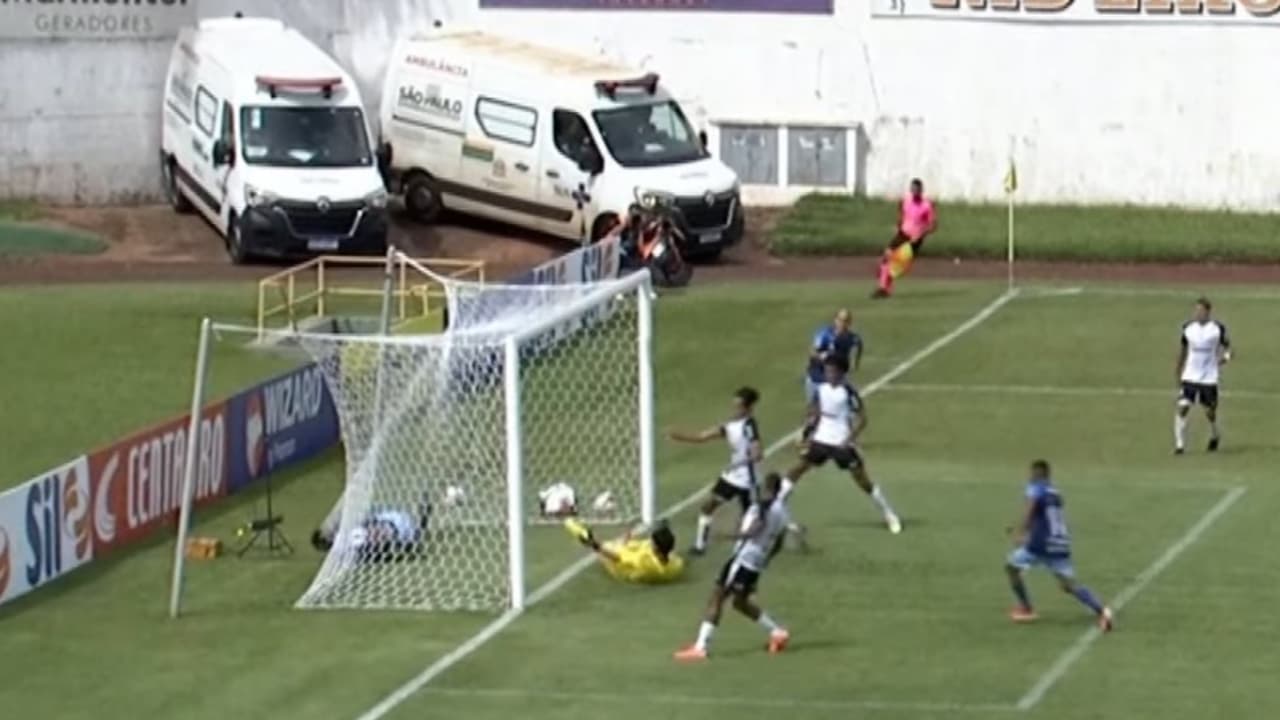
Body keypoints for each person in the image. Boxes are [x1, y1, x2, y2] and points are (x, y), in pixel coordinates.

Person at [780, 354, 902, 540]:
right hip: (821, 440)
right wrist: (805, 433)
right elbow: (814, 413)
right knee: (795, 471)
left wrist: (849, 439)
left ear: (841, 373)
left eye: (831, 371)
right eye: (827, 370)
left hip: (840, 443)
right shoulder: (821, 389)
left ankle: (889, 514)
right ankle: (777, 507)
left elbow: (863, 419)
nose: (828, 374)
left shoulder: (848, 392)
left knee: (862, 480)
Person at [674, 472, 791, 662]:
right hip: (756, 562)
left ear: (767, 488)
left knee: (717, 597)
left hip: (743, 560)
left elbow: (756, 528)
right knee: (740, 602)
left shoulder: (763, 507)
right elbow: (780, 541)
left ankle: (701, 647)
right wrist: (767, 559)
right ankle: (777, 632)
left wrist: (730, 536)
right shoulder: (783, 511)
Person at [1005, 460, 1114, 631]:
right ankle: (1102, 610)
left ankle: (1026, 608)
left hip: (1041, 543)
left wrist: (1021, 532)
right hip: (1060, 543)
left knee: (1011, 567)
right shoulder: (1055, 493)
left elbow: (1030, 509)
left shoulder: (1036, 488)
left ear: (1037, 473)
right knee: (1069, 584)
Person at [668, 387, 763, 556]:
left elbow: (758, 454)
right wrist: (679, 436)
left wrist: (737, 464)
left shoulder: (749, 426)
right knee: (708, 506)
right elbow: (702, 437)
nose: (735, 409)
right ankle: (699, 546)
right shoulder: (729, 425)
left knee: (752, 518)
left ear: (748, 408)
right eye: (734, 405)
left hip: (749, 480)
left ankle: (786, 529)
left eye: (739, 406)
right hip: (732, 477)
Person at [1175, 297, 1232, 454]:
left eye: (1201, 310)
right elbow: (1183, 351)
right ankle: (1180, 446)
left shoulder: (1217, 329)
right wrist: (1179, 371)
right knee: (1183, 408)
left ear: (1208, 312)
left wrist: (1224, 359)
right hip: (1190, 376)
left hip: (1209, 377)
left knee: (1210, 412)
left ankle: (1215, 434)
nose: (1198, 313)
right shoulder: (1188, 328)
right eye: (1196, 310)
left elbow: (1229, 348)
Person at [564, 517, 685, 584]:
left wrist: (595, 545)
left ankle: (586, 535)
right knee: (627, 543)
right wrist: (628, 535)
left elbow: (616, 558)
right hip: (642, 562)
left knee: (611, 546)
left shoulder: (644, 562)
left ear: (656, 547)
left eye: (652, 541)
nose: (650, 541)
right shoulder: (676, 565)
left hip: (622, 571)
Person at [872, 178, 937, 299]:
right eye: (912, 189)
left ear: (921, 190)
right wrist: (898, 226)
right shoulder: (905, 201)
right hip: (903, 234)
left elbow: (933, 225)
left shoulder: (927, 205)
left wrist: (923, 233)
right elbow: (902, 216)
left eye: (917, 189)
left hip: (915, 239)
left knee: (896, 264)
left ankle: (885, 287)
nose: (914, 192)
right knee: (886, 258)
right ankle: (883, 288)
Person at [310, 498, 431, 561]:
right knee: (409, 531)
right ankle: (421, 522)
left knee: (407, 530)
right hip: (385, 532)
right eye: (325, 533)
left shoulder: (338, 545)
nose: (328, 531)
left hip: (383, 531)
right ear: (325, 539)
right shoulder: (340, 542)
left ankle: (420, 523)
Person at [805, 309, 863, 401]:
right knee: (815, 411)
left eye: (846, 321)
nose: (842, 323)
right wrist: (823, 357)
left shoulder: (852, 338)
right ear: (835, 320)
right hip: (817, 378)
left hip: (836, 381)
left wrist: (855, 363)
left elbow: (858, 345)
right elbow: (812, 352)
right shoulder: (825, 334)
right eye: (840, 320)